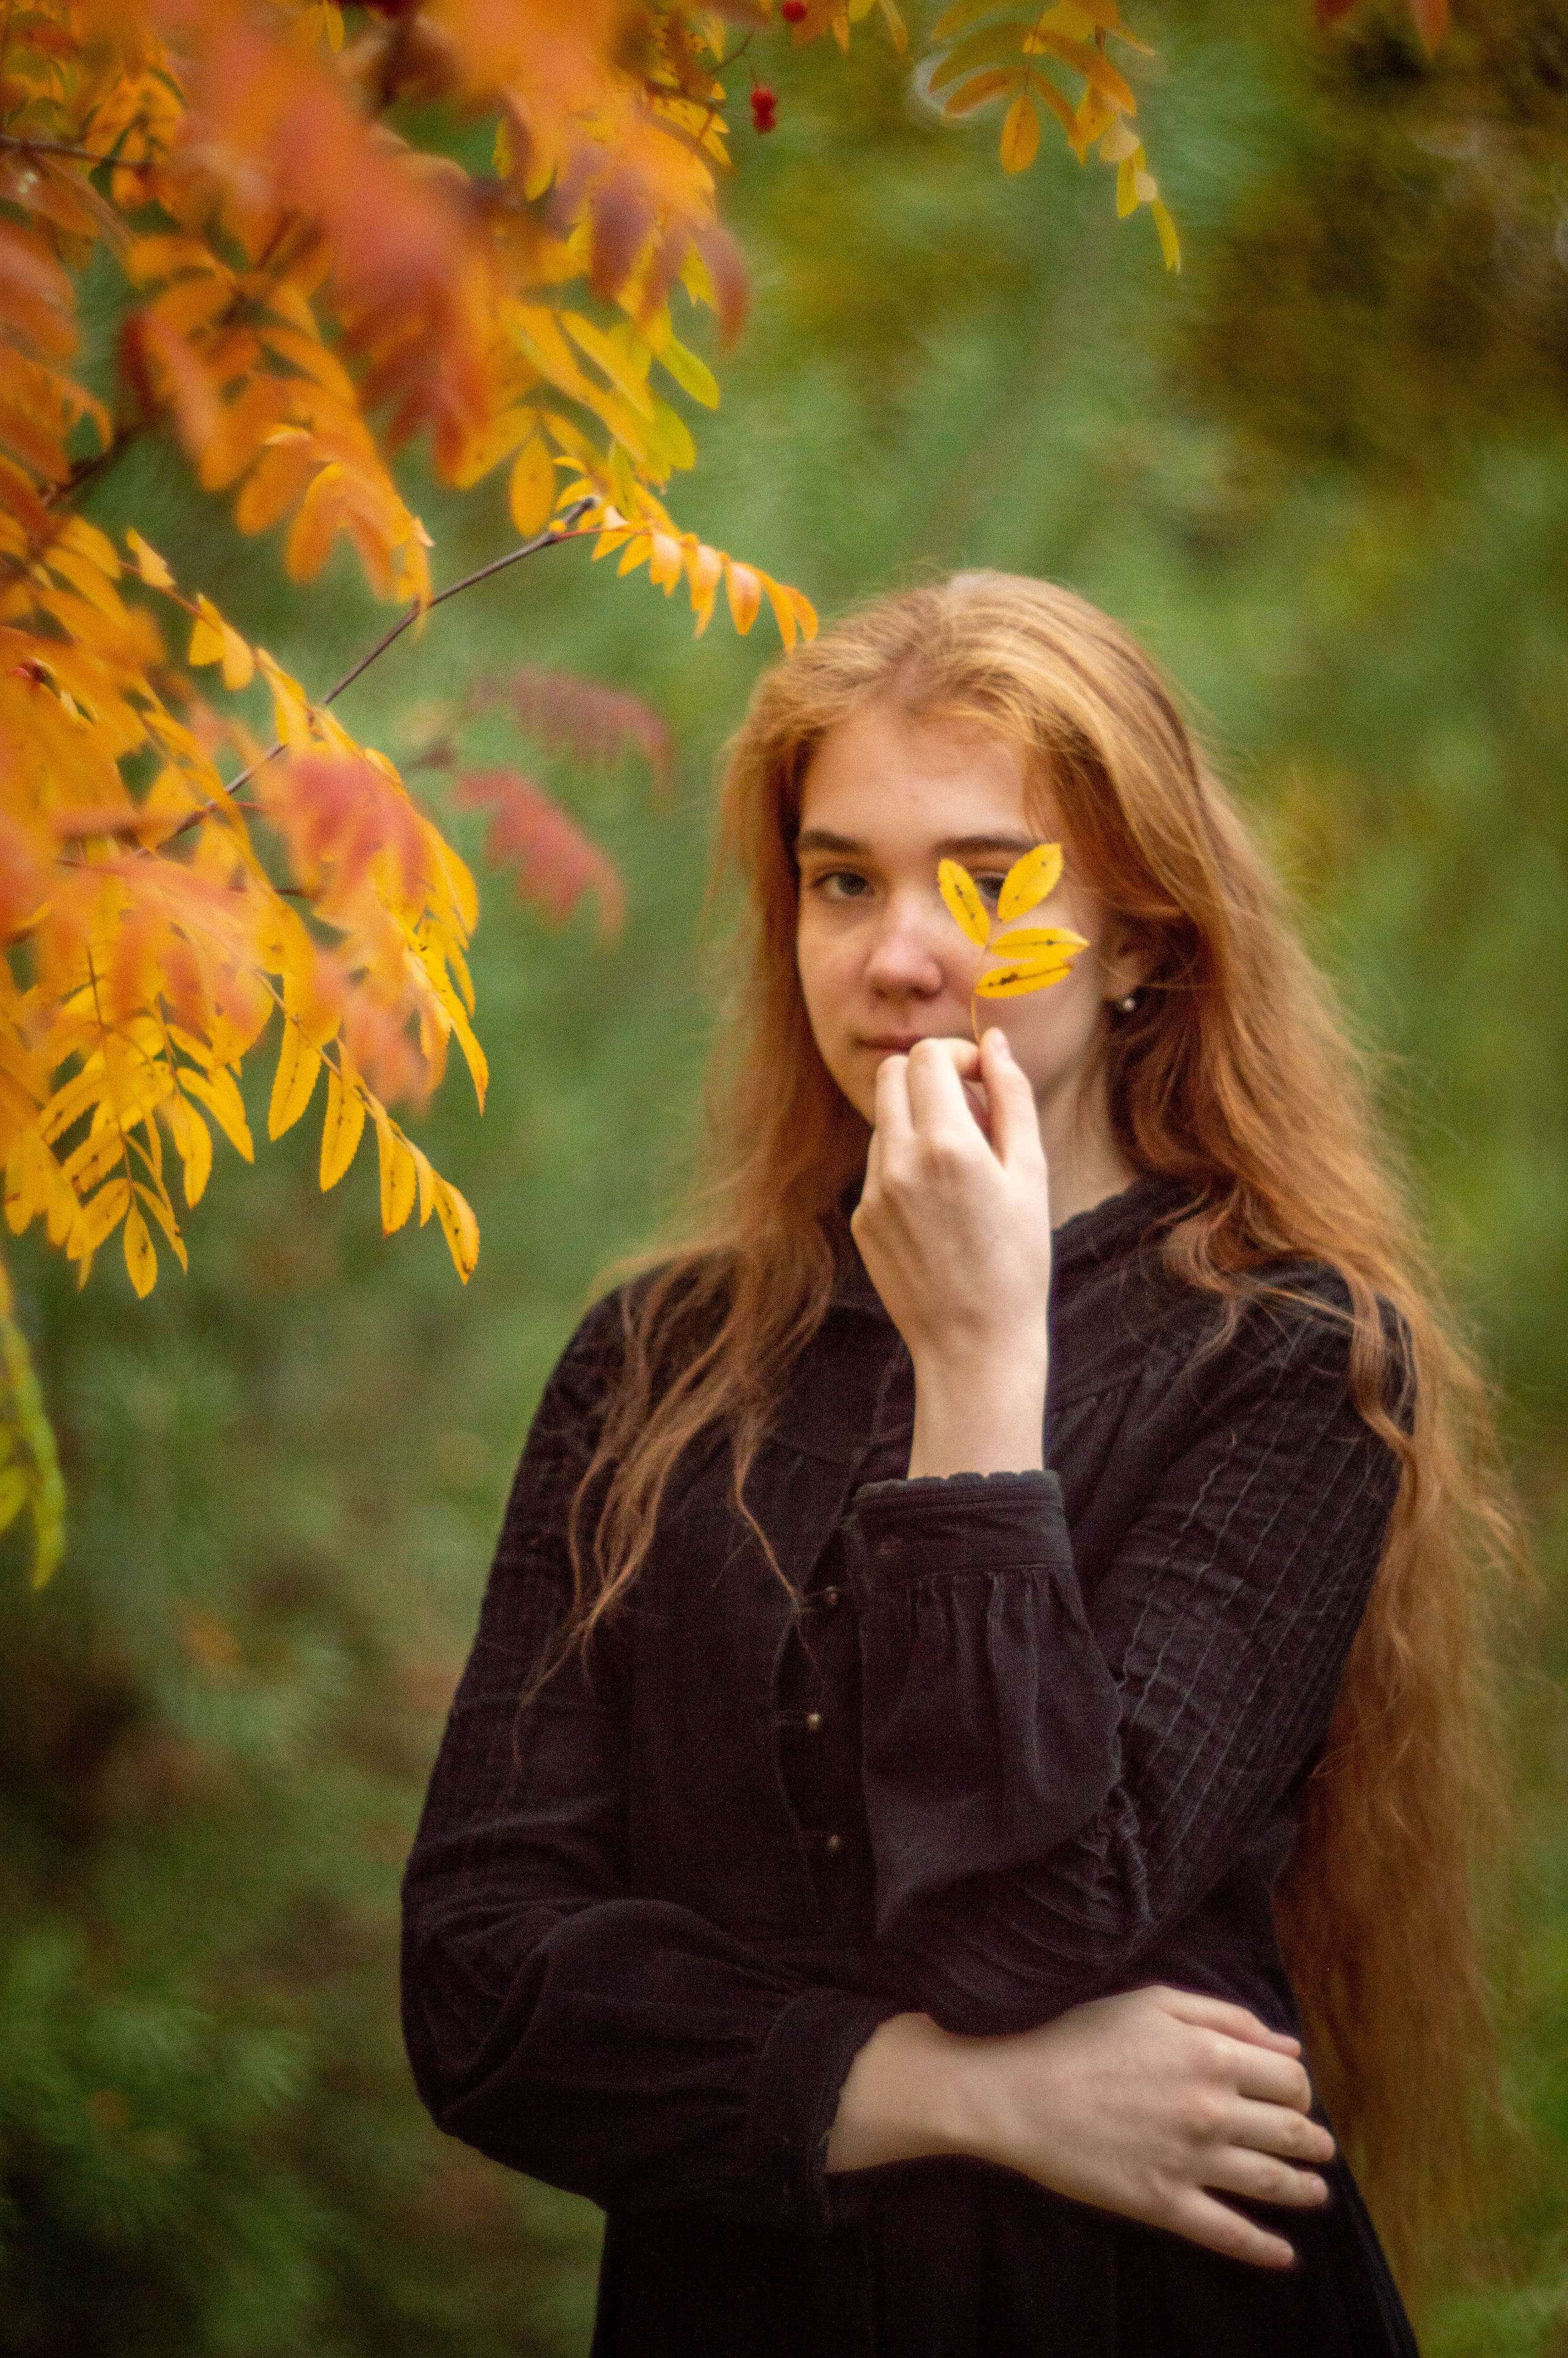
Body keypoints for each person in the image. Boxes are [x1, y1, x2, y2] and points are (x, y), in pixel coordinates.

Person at [401, 575, 1513, 2357]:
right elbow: (479, 1986)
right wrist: (953, 2093)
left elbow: (1034, 1933)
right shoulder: (651, 1366)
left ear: (1146, 935)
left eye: (987, 878)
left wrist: (981, 1364)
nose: (899, 950)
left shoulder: (1290, 1356)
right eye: (844, 878)